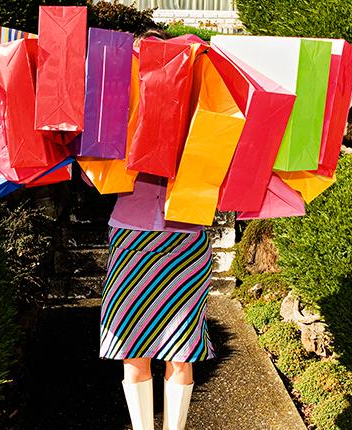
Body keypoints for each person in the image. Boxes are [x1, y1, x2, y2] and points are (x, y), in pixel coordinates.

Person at [98, 29, 215, 430]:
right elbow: (94, 177)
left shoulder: (200, 107)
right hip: (132, 238)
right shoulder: (118, 107)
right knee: (133, 350)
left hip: (184, 240)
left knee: (181, 350)